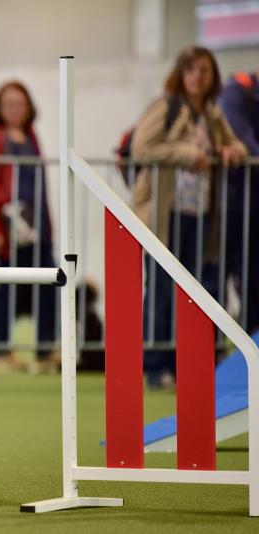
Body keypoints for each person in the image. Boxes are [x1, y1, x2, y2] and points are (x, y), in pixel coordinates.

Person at [131, 46, 246, 389]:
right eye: (191, 69)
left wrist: (231, 149)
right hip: (165, 213)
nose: (197, 76)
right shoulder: (166, 106)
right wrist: (185, 153)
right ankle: (156, 366)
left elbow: (237, 145)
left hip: (200, 214)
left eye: (204, 70)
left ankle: (184, 364)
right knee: (161, 289)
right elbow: (142, 147)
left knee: (194, 291)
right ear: (180, 74)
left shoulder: (211, 113)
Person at [0, 81, 58, 374]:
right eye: (9, 104)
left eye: (20, 104)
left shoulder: (33, 137)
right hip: (8, 226)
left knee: (48, 287)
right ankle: (2, 352)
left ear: (29, 108)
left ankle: (45, 351)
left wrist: (48, 225)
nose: (15, 109)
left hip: (37, 226)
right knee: (5, 290)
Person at [218, 57, 259, 335]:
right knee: (227, 276)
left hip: (252, 205)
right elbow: (243, 140)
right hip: (234, 204)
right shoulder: (237, 90)